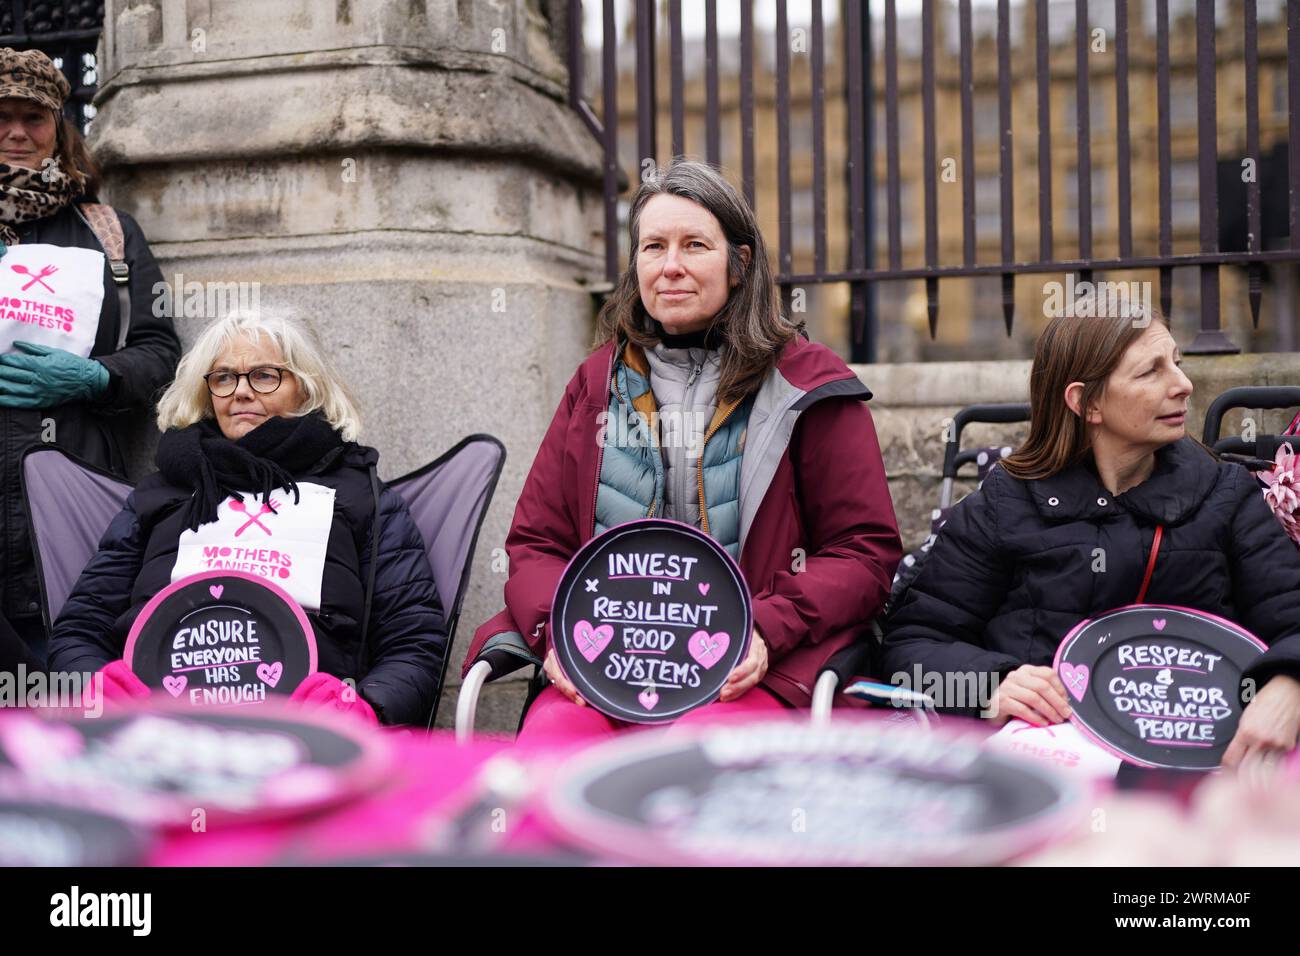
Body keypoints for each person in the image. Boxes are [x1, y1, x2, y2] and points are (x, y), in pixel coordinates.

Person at [468, 159, 902, 742]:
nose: (670, 267)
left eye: (694, 245)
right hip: (608, 669)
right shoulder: (594, 385)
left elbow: (864, 553)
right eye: (653, 247)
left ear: (739, 263)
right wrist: (557, 634)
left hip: (752, 672)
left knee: (692, 761)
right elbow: (538, 544)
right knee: (549, 755)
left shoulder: (810, 387)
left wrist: (766, 629)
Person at [881, 308, 1300, 769]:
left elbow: (1292, 620)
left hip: (1199, 762)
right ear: (1086, 403)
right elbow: (910, 646)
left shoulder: (1226, 496)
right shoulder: (1005, 504)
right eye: (1151, 371)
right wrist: (989, 686)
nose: (1183, 384)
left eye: (1176, 362)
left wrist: (1287, 686)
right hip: (1045, 766)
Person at [47, 312, 447, 725]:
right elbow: (80, 628)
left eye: (264, 375)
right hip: (156, 729)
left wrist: (363, 708)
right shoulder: (159, 494)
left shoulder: (365, 499)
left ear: (306, 388)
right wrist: (98, 687)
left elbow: (413, 642)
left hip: (309, 737)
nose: (240, 392)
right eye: (223, 378)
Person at [0, 49, 181, 665]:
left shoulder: (108, 232)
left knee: (64, 685)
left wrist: (97, 376)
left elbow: (160, 350)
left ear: (60, 129)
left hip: (73, 492)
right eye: (2, 115)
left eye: (34, 117)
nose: (17, 132)